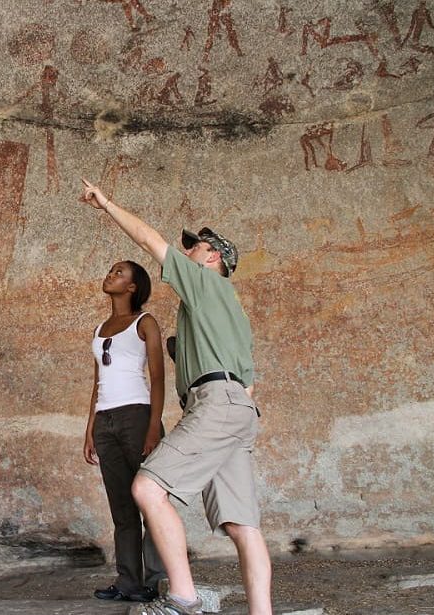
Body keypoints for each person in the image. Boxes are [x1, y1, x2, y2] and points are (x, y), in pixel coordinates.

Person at [79, 179, 272, 615]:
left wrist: (106, 203)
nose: (187, 253)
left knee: (147, 489)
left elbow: (149, 240)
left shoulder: (205, 286)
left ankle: (184, 601)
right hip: (239, 409)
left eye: (195, 248)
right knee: (244, 526)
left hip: (216, 404)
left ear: (213, 257)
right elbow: (248, 384)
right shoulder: (229, 311)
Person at [84, 260, 166, 602]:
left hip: (137, 416)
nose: (111, 275)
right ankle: (128, 582)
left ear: (132, 287)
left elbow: (159, 377)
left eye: (119, 273)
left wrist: (152, 429)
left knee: (153, 504)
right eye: (111, 270)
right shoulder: (100, 327)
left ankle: (159, 581)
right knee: (122, 509)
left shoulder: (144, 323)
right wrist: (89, 430)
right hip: (106, 421)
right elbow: (97, 381)